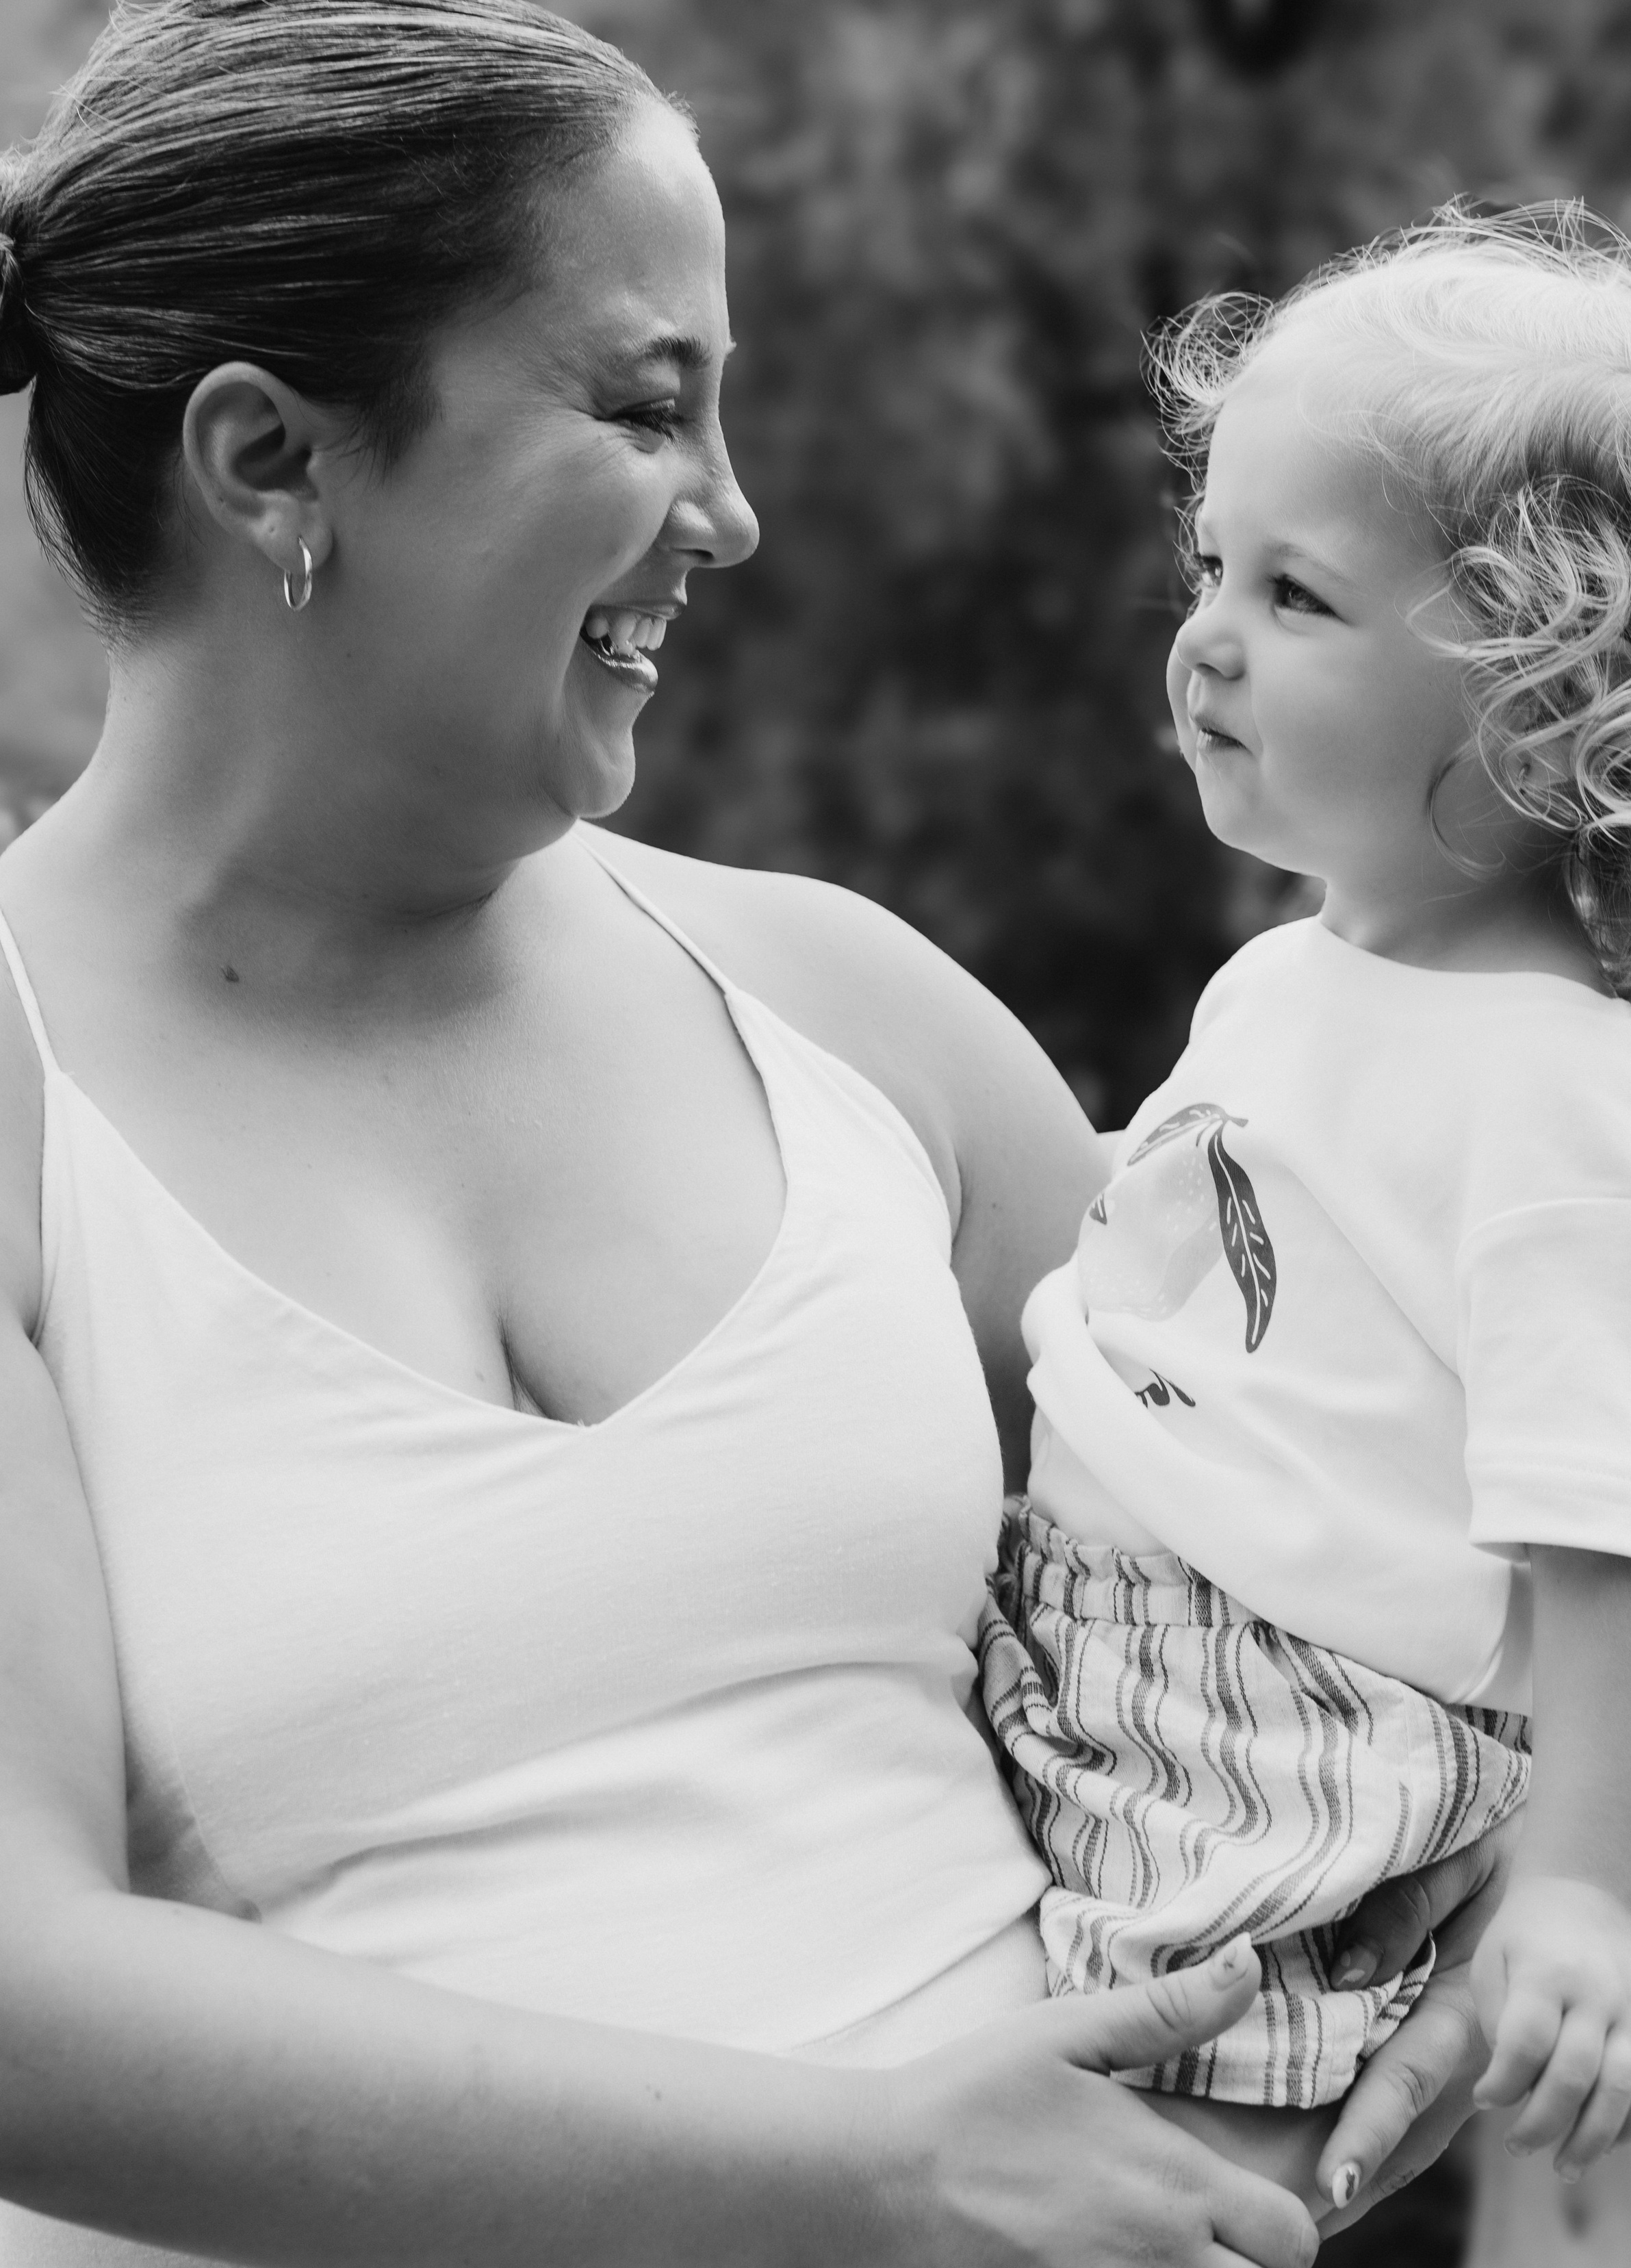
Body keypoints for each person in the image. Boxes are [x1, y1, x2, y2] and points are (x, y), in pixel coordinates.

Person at [0, 4, 1503, 2260]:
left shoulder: (844, 1007)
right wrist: (879, 2184)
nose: (734, 509)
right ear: (266, 456)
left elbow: (1343, 1560)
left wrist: (1407, 2004)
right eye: (643, 403)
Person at [979, 203, 1631, 2206]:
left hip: (1279, 1733)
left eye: (1301, 595)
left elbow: (1612, 1548)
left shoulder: (1558, 1097)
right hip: (1097, 1654)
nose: (1207, 633)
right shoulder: (1293, 975)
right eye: (1209, 563)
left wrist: (1572, 1896)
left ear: (1551, 690)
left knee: (1157, 2176)